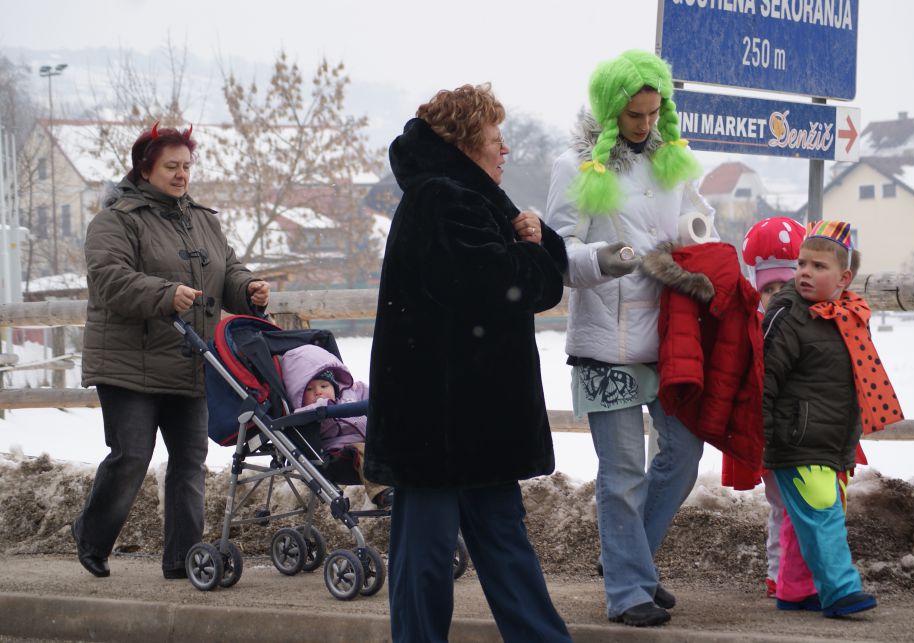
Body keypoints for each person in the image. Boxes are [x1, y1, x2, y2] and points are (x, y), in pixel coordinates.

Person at [363, 84, 572, 643]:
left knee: (503, 551)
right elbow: (497, 287)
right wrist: (533, 251)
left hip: (470, 422)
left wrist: (535, 243)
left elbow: (516, 281)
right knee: (429, 563)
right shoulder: (442, 198)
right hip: (439, 425)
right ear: (464, 143)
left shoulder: (463, 197)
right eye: (495, 140)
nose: (504, 151)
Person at [545, 49, 714, 628]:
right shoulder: (574, 167)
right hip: (605, 342)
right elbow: (554, 256)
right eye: (633, 116)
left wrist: (700, 249)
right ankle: (627, 590)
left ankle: (627, 559)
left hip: (671, 340)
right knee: (622, 474)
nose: (644, 126)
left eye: (653, 112)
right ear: (611, 109)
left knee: (684, 454)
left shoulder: (676, 161)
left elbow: (703, 227)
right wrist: (600, 259)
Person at [72, 123, 270, 579]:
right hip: (128, 363)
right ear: (146, 168)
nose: (182, 175)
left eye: (186, 166)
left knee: (189, 464)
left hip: (189, 359)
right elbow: (109, 279)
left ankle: (185, 558)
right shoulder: (115, 220)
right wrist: (165, 294)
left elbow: (228, 269)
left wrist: (248, 289)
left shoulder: (202, 219)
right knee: (132, 456)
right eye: (171, 167)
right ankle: (91, 535)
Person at [762, 220, 902, 617]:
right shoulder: (789, 315)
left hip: (830, 439)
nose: (805, 272)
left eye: (818, 267)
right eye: (802, 264)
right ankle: (840, 590)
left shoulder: (846, 317)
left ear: (844, 277)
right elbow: (765, 376)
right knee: (822, 512)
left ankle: (794, 590)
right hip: (797, 438)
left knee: (805, 517)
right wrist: (763, 434)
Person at [722, 216, 805, 597]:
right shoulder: (755, 329)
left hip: (814, 431)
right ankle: (780, 573)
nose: (777, 295)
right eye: (768, 288)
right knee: (783, 506)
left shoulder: (815, 325)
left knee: (813, 506)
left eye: (785, 285)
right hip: (772, 436)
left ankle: (803, 572)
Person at [279, 343, 392, 508]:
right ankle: (383, 492)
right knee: (363, 450)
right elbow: (307, 422)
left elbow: (376, 396)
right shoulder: (306, 412)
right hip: (339, 455)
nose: (318, 392)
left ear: (335, 386)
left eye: (324, 386)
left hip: (372, 441)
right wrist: (323, 407)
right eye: (309, 390)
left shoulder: (352, 392)